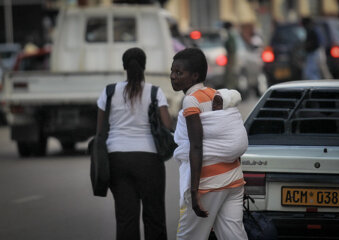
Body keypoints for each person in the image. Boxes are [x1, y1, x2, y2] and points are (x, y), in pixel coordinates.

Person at [170, 48, 248, 240]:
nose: (173, 77)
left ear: (194, 75)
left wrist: (195, 192)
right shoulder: (215, 94)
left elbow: (196, 146)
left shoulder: (190, 101)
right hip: (234, 179)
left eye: (179, 73)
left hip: (209, 183)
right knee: (233, 236)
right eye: (172, 71)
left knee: (188, 236)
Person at [96, 47, 172, 240]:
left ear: (124, 66)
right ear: (144, 66)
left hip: (117, 159)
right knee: (154, 217)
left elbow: (100, 130)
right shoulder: (155, 92)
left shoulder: (109, 92)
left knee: (126, 218)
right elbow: (167, 125)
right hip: (149, 160)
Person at [223, 21, 238, 89]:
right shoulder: (230, 34)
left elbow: (231, 47)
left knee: (230, 73)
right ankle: (231, 86)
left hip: (230, 56)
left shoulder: (229, 34)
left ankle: (230, 87)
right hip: (231, 55)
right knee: (230, 73)